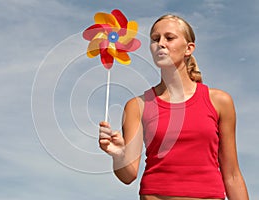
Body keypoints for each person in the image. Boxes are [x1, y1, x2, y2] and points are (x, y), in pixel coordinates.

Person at [98, 14, 249, 200]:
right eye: (155, 39)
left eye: (169, 38)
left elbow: (232, 175)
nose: (160, 43)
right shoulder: (137, 106)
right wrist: (118, 156)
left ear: (189, 48)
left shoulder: (220, 101)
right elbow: (128, 175)